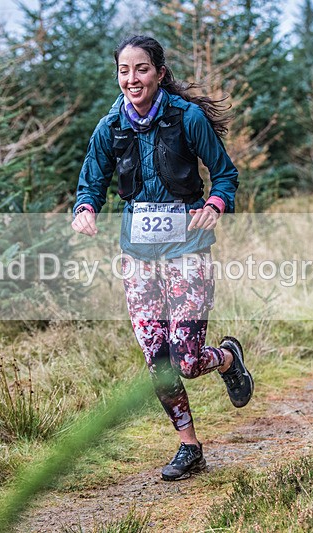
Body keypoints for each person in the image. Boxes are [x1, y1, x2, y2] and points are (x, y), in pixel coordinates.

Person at [70, 35, 254, 481]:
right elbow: (91, 181)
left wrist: (214, 204)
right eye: (124, 70)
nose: (132, 78)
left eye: (141, 69)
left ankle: (227, 359)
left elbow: (224, 174)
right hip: (137, 256)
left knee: (188, 361)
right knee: (158, 358)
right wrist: (85, 208)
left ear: (159, 73)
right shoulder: (110, 126)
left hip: (187, 251)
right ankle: (189, 448)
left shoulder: (186, 118)